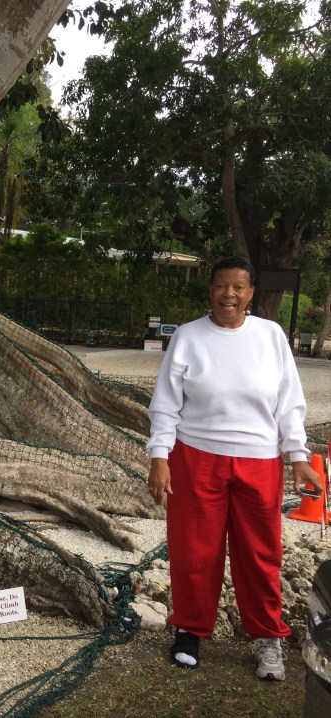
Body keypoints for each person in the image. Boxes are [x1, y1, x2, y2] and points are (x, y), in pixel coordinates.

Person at [146, 256, 322, 681]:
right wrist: (159, 456)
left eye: (238, 287)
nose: (229, 295)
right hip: (196, 457)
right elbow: (166, 403)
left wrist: (298, 456)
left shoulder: (271, 336)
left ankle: (268, 638)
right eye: (222, 286)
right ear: (210, 290)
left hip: (258, 460)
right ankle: (190, 629)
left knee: (260, 553)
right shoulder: (188, 337)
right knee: (194, 549)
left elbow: (289, 401)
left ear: (250, 293)